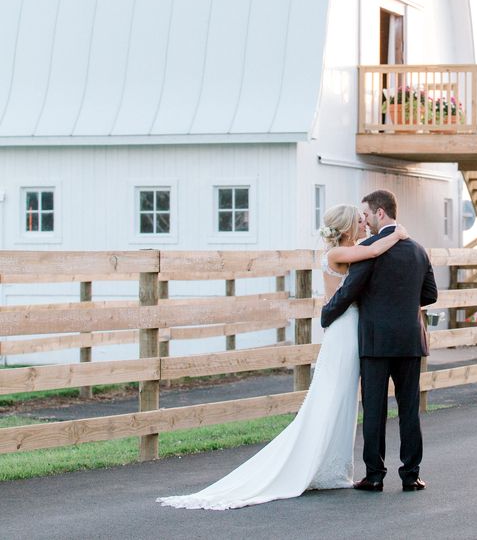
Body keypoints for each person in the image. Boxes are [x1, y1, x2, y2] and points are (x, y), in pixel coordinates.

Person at [156, 204, 409, 511]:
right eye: (358, 220)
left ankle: (334, 467)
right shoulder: (335, 254)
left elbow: (369, 255)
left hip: (353, 326)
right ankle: (312, 463)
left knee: (343, 400)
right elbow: (373, 252)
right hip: (344, 330)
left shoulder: (351, 249)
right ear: (346, 227)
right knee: (333, 396)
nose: (363, 223)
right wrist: (397, 234)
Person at [321, 189, 438, 493]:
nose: (366, 221)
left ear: (380, 213)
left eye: (367, 215)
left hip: (375, 340)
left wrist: (326, 315)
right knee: (409, 408)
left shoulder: (370, 248)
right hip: (411, 339)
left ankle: (375, 475)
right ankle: (411, 475)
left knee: (374, 409)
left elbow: (350, 292)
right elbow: (430, 295)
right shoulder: (418, 249)